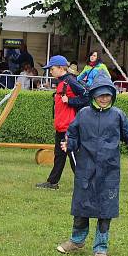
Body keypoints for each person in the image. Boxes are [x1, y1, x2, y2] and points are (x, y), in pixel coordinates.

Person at [56, 76, 128, 256]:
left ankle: (101, 248)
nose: (104, 98)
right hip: (86, 167)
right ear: (93, 96)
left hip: (109, 169)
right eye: (100, 95)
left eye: (107, 95)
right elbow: (72, 134)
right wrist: (69, 144)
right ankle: (76, 241)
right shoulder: (83, 114)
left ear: (112, 96)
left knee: (106, 208)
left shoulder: (117, 114)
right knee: (82, 206)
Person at [36, 55, 88, 190]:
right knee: (59, 157)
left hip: (69, 127)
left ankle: (84, 185)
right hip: (61, 127)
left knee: (73, 157)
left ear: (60, 68)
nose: (50, 72)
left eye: (52, 69)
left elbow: (87, 97)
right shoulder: (62, 81)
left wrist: (70, 101)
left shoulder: (71, 81)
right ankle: (52, 182)